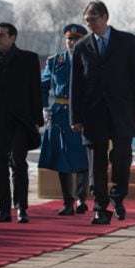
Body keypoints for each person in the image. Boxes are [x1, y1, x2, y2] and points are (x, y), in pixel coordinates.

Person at [70, 0, 135, 225]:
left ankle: (118, 196)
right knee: (97, 162)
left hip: (123, 111)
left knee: (122, 157)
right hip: (94, 114)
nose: (90, 24)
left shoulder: (127, 41)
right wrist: (76, 117)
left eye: (93, 19)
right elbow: (76, 85)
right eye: (87, 20)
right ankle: (101, 206)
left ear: (105, 17)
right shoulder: (82, 46)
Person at [0, 23, 43, 223]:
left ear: (12, 38)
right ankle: (4, 210)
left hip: (20, 122)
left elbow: (35, 92)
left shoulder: (28, 59)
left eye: (2, 35)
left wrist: (37, 120)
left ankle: (21, 207)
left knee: (18, 163)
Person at [39, 24, 90, 215]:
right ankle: (68, 202)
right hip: (60, 113)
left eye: (76, 39)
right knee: (62, 158)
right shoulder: (55, 61)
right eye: (69, 39)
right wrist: (44, 107)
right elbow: (43, 86)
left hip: (81, 113)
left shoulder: (89, 60)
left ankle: (82, 198)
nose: (72, 42)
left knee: (82, 157)